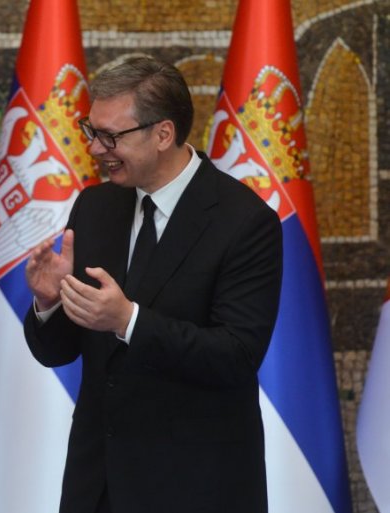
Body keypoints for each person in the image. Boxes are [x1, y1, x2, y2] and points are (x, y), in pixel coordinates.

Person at [23, 56, 282, 513]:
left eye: (111, 136)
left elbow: (236, 356)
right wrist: (51, 303)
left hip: (195, 488)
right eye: (91, 131)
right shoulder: (95, 207)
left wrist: (129, 321)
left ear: (163, 134)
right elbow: (59, 352)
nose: (95, 148)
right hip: (98, 486)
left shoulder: (244, 222)